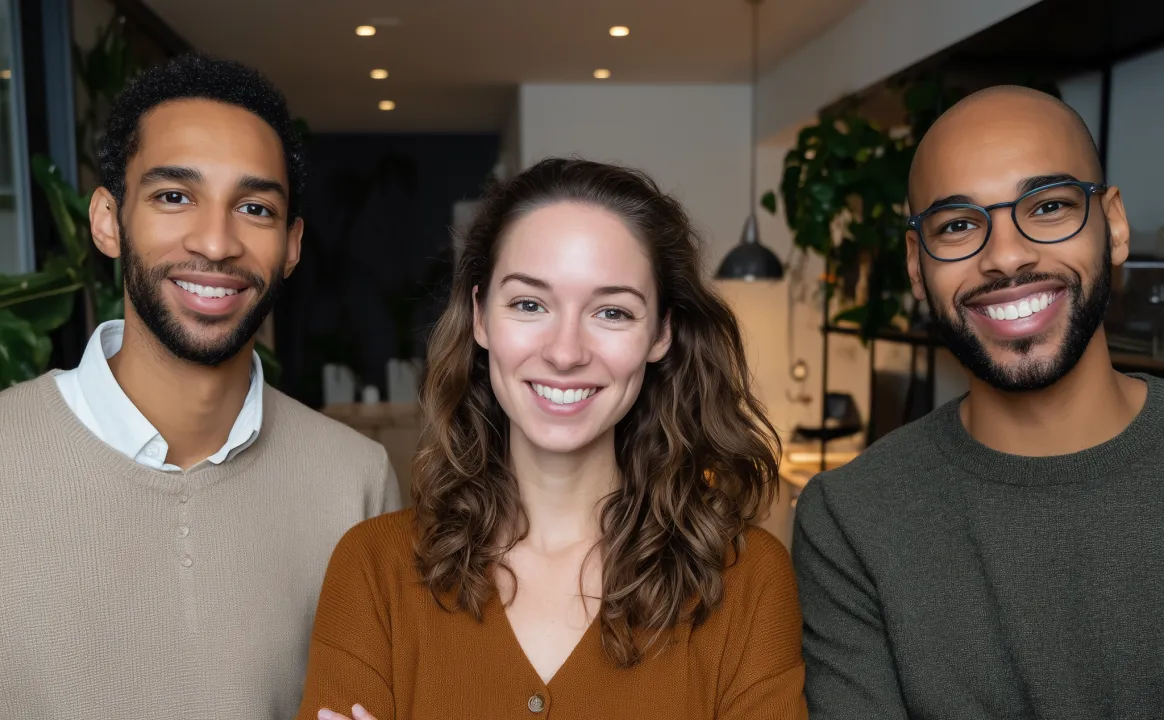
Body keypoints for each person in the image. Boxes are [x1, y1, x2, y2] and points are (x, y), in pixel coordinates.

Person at [295, 158, 808, 720]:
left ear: (661, 332)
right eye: (529, 304)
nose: (566, 352)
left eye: (611, 311)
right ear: (480, 317)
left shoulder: (747, 580)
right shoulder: (374, 569)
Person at [0, 53, 400, 718]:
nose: (216, 242)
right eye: (174, 197)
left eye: (254, 207)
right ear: (107, 220)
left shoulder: (355, 480)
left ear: (292, 245)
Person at [793, 85, 1164, 719]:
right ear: (917, 266)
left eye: (1048, 206)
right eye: (960, 224)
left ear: (1116, 225)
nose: (1007, 256)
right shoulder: (853, 520)